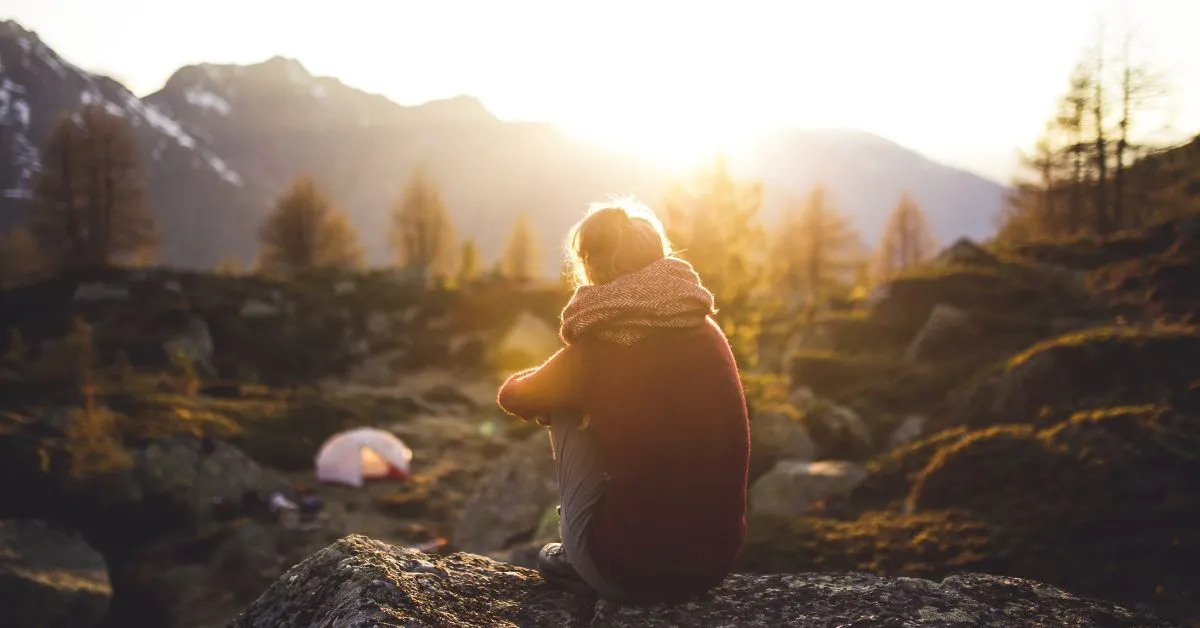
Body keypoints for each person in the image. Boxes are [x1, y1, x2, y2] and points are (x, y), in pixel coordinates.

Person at [496, 198, 750, 603]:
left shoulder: (600, 345)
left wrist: (574, 388)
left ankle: (580, 546)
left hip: (625, 572)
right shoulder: (705, 328)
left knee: (561, 402)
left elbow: (514, 396)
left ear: (592, 266)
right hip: (711, 566)